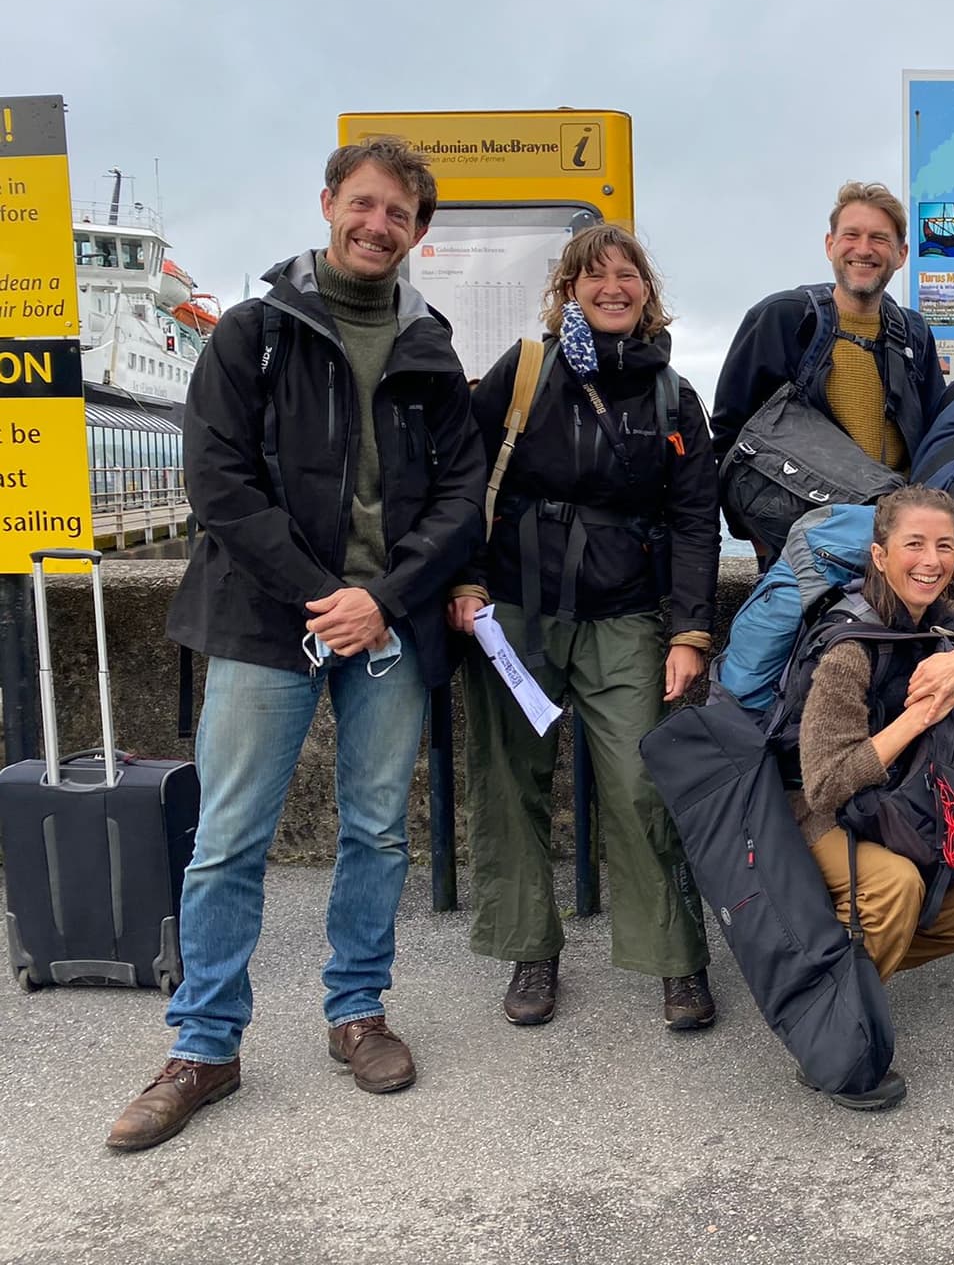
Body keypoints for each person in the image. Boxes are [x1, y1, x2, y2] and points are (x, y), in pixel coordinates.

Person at [109, 138, 486, 1151]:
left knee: (377, 831)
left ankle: (357, 1013)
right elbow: (219, 485)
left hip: (389, 624)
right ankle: (204, 1047)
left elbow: (461, 497)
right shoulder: (253, 332)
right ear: (329, 204)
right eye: (362, 205)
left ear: (417, 231)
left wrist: (386, 598)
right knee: (230, 838)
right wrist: (328, 595)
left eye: (397, 214)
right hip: (264, 619)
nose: (377, 225)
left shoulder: (430, 347)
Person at [448, 224, 720, 1032]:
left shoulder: (674, 394)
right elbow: (461, 478)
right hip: (516, 610)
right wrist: (465, 578)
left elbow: (697, 518)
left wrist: (688, 631)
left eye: (626, 274)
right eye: (593, 275)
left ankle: (675, 961)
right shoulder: (525, 372)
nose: (612, 286)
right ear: (568, 288)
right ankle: (533, 950)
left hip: (625, 613)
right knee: (507, 780)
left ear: (646, 289)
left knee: (641, 787)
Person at [793, 485, 954, 1108]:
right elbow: (824, 781)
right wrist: (914, 719)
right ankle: (828, 1037)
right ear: (880, 556)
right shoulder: (848, 647)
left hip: (898, 815)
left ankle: (815, 973)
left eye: (943, 545)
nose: (929, 560)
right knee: (896, 891)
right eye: (913, 544)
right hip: (817, 816)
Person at [710, 181, 946, 479]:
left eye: (879, 238)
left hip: (894, 519)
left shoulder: (915, 333)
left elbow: (936, 436)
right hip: (803, 521)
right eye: (851, 235)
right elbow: (729, 435)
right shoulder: (782, 319)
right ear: (830, 245)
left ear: (901, 254)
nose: (863, 248)